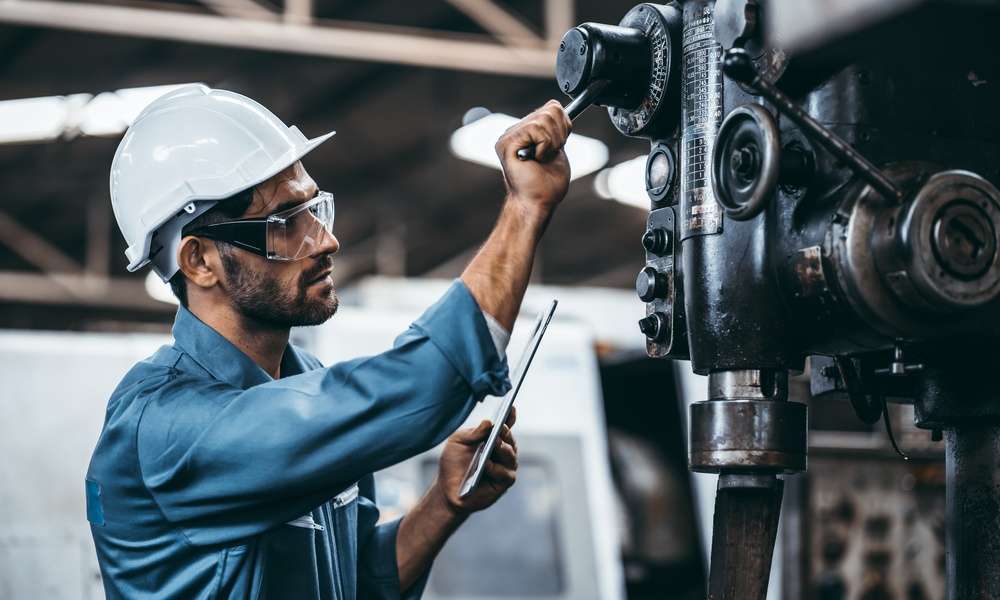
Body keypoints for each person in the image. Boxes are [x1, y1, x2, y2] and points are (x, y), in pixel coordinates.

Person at [85, 85, 572, 599]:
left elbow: (355, 580)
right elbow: (422, 386)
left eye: (314, 209)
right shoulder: (166, 425)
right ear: (200, 261)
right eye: (285, 224)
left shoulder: (304, 379)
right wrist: (524, 209)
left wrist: (443, 504)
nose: (325, 240)